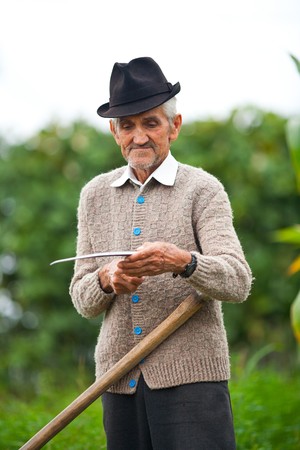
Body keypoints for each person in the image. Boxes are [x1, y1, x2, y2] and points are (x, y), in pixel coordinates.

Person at [69, 56, 252, 450]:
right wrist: (106, 280)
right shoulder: (94, 196)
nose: (139, 137)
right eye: (128, 126)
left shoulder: (203, 190)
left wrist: (183, 262)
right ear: (114, 133)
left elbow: (237, 280)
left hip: (193, 384)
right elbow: (83, 299)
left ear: (174, 126)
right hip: (117, 381)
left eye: (151, 123)